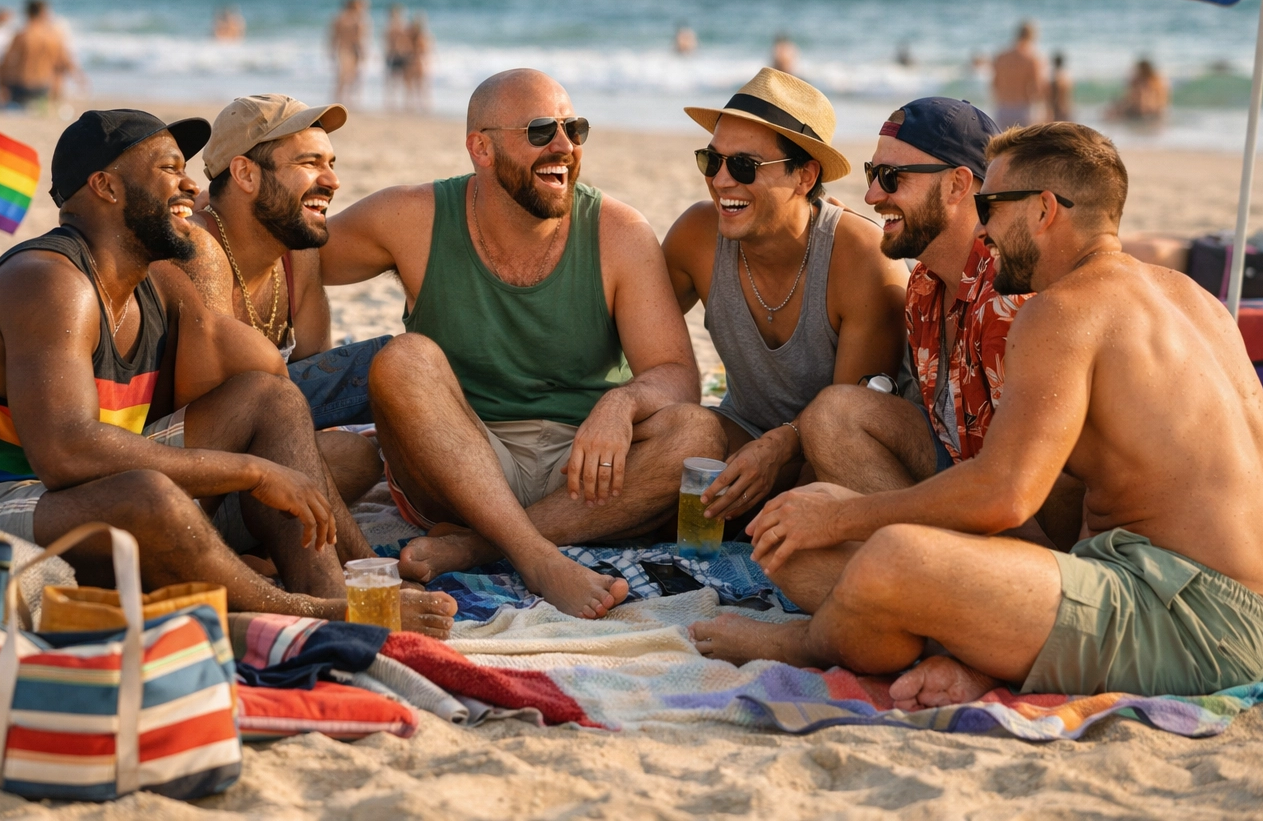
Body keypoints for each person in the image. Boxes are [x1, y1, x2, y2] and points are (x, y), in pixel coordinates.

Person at [698, 122, 1263, 703]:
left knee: (888, 558)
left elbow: (1005, 495)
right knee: (799, 557)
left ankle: (806, 642)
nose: (981, 233)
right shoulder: (1189, 296)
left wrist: (848, 516)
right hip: (1222, 602)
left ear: (1043, 210)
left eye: (989, 210)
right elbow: (1106, 505)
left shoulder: (1062, 309)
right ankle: (980, 652)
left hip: (1194, 620)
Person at [0, 108, 456, 635]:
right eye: (169, 170)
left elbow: (262, 374)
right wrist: (252, 473)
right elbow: (65, 452)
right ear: (106, 187)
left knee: (269, 401)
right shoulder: (49, 282)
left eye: (187, 171)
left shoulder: (154, 281)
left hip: (73, 486)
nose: (191, 185)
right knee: (151, 494)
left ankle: (341, 585)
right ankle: (316, 612)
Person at [321, 68, 724, 619]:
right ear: (480, 148)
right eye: (540, 131)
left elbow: (677, 373)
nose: (564, 146)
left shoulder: (619, 231)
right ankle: (537, 557)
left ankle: (481, 546)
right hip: (459, 462)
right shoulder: (412, 216)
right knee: (403, 359)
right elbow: (297, 252)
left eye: (574, 129)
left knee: (699, 432)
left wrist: (620, 403)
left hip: (584, 472)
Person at [687, 96, 1077, 661]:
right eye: (873, 176)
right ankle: (920, 610)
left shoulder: (1014, 296)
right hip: (967, 501)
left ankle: (918, 621)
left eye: (891, 178)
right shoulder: (922, 289)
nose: (871, 196)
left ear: (958, 187)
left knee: (817, 496)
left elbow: (1030, 492)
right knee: (790, 537)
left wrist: (846, 518)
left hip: (1036, 539)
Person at [663, 69, 908, 532]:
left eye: (743, 167)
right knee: (671, 441)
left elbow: (849, 419)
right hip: (741, 439)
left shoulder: (860, 259)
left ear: (805, 175)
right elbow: (631, 333)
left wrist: (780, 451)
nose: (720, 181)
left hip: (830, 457)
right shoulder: (697, 235)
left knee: (819, 479)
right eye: (710, 161)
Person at [163, 93, 391, 502]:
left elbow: (311, 363)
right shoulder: (196, 249)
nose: (333, 181)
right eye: (310, 163)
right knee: (355, 455)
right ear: (245, 175)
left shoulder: (296, 251)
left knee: (397, 362)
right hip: (194, 450)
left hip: (267, 422)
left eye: (330, 164)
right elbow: (210, 414)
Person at [0, 0, 79, 107]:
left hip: (21, 89)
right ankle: (54, 100)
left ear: (27, 13)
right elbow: (66, 61)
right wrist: (79, 79)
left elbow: (6, 62)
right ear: (43, 13)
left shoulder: (22, 35)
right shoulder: (53, 36)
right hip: (43, 89)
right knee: (58, 69)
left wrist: (1, 85)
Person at [991, 22, 1046, 129]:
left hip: (1002, 108)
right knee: (1024, 144)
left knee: (1001, 144)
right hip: (1022, 109)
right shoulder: (1031, 58)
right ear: (1032, 36)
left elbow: (995, 83)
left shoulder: (1001, 56)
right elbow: (1037, 87)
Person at [329, 0, 370, 104]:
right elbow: (359, 39)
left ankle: (340, 99)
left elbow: (333, 37)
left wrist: (331, 51)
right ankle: (346, 99)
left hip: (342, 49)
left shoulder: (339, 18)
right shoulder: (357, 20)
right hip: (351, 50)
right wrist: (363, 52)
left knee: (344, 77)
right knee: (349, 76)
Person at [1108, 58, 1170, 122]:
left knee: (1113, 112)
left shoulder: (1145, 82)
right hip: (1152, 110)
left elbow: (1132, 97)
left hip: (1144, 110)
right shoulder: (1156, 81)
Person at [383, 4, 411, 109]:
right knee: (394, 79)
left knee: (403, 79)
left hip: (398, 54)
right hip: (395, 55)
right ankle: (393, 102)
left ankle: (402, 102)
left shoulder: (397, 26)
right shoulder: (396, 26)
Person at [405, 12, 433, 113]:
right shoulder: (422, 37)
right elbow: (426, 51)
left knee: (413, 86)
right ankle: (423, 105)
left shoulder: (413, 37)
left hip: (412, 62)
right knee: (420, 86)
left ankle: (413, 105)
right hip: (419, 62)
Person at [1047, 51, 1073, 122]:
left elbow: (1054, 96)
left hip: (1058, 108)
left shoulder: (1056, 77)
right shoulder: (1067, 76)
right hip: (1067, 107)